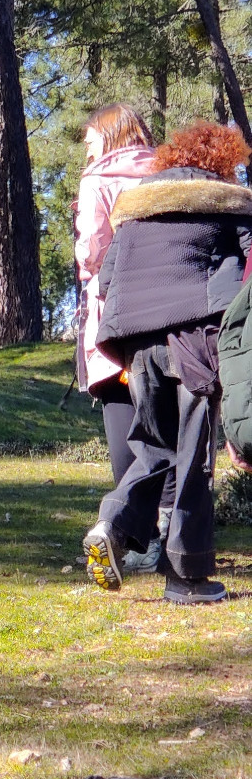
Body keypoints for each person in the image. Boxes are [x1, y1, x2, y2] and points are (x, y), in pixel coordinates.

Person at [83, 121, 252, 604]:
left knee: (153, 447)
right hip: (196, 336)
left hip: (137, 343)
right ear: (221, 161)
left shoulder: (136, 209)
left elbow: (106, 278)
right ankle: (187, 577)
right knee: (194, 455)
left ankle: (111, 524)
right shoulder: (230, 203)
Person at [73, 104, 173, 573]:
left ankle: (135, 538)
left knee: (124, 421)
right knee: (170, 427)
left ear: (110, 138)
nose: (87, 151)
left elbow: (94, 252)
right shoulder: (170, 171)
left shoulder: (98, 181)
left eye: (91, 141)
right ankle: (174, 533)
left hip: (115, 316)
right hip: (172, 315)